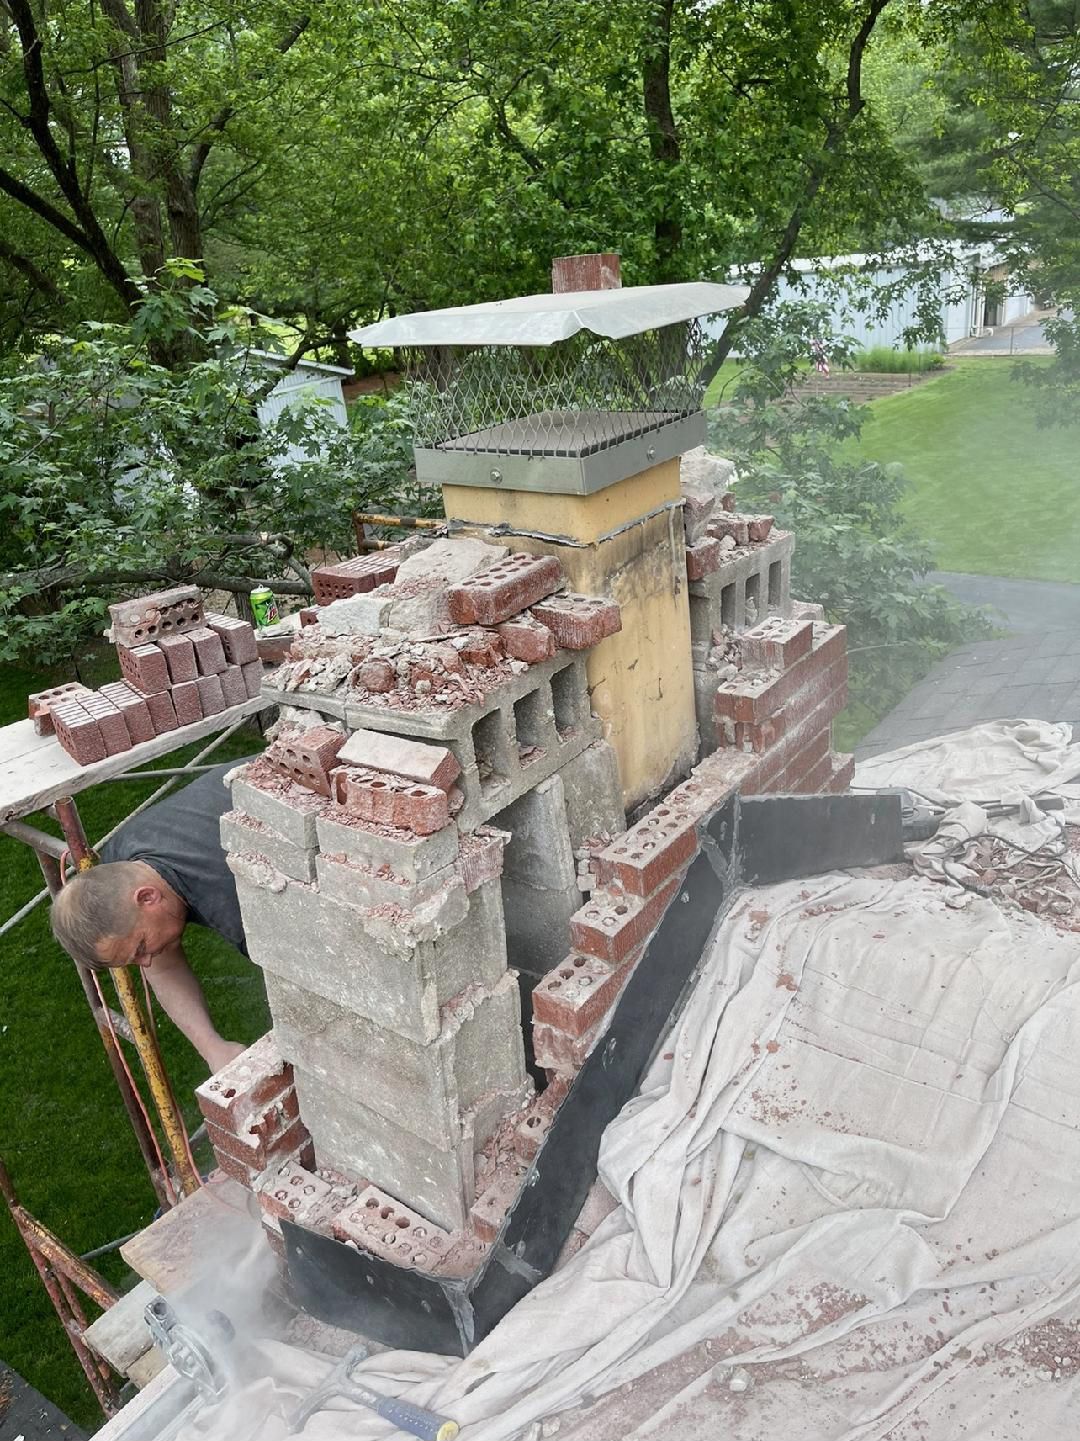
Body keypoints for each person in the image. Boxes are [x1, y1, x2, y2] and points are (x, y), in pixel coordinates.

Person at [50, 762, 253, 1073]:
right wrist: (214, 1049)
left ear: (148, 897)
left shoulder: (236, 900)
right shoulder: (122, 864)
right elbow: (163, 967)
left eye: (141, 948)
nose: (146, 962)